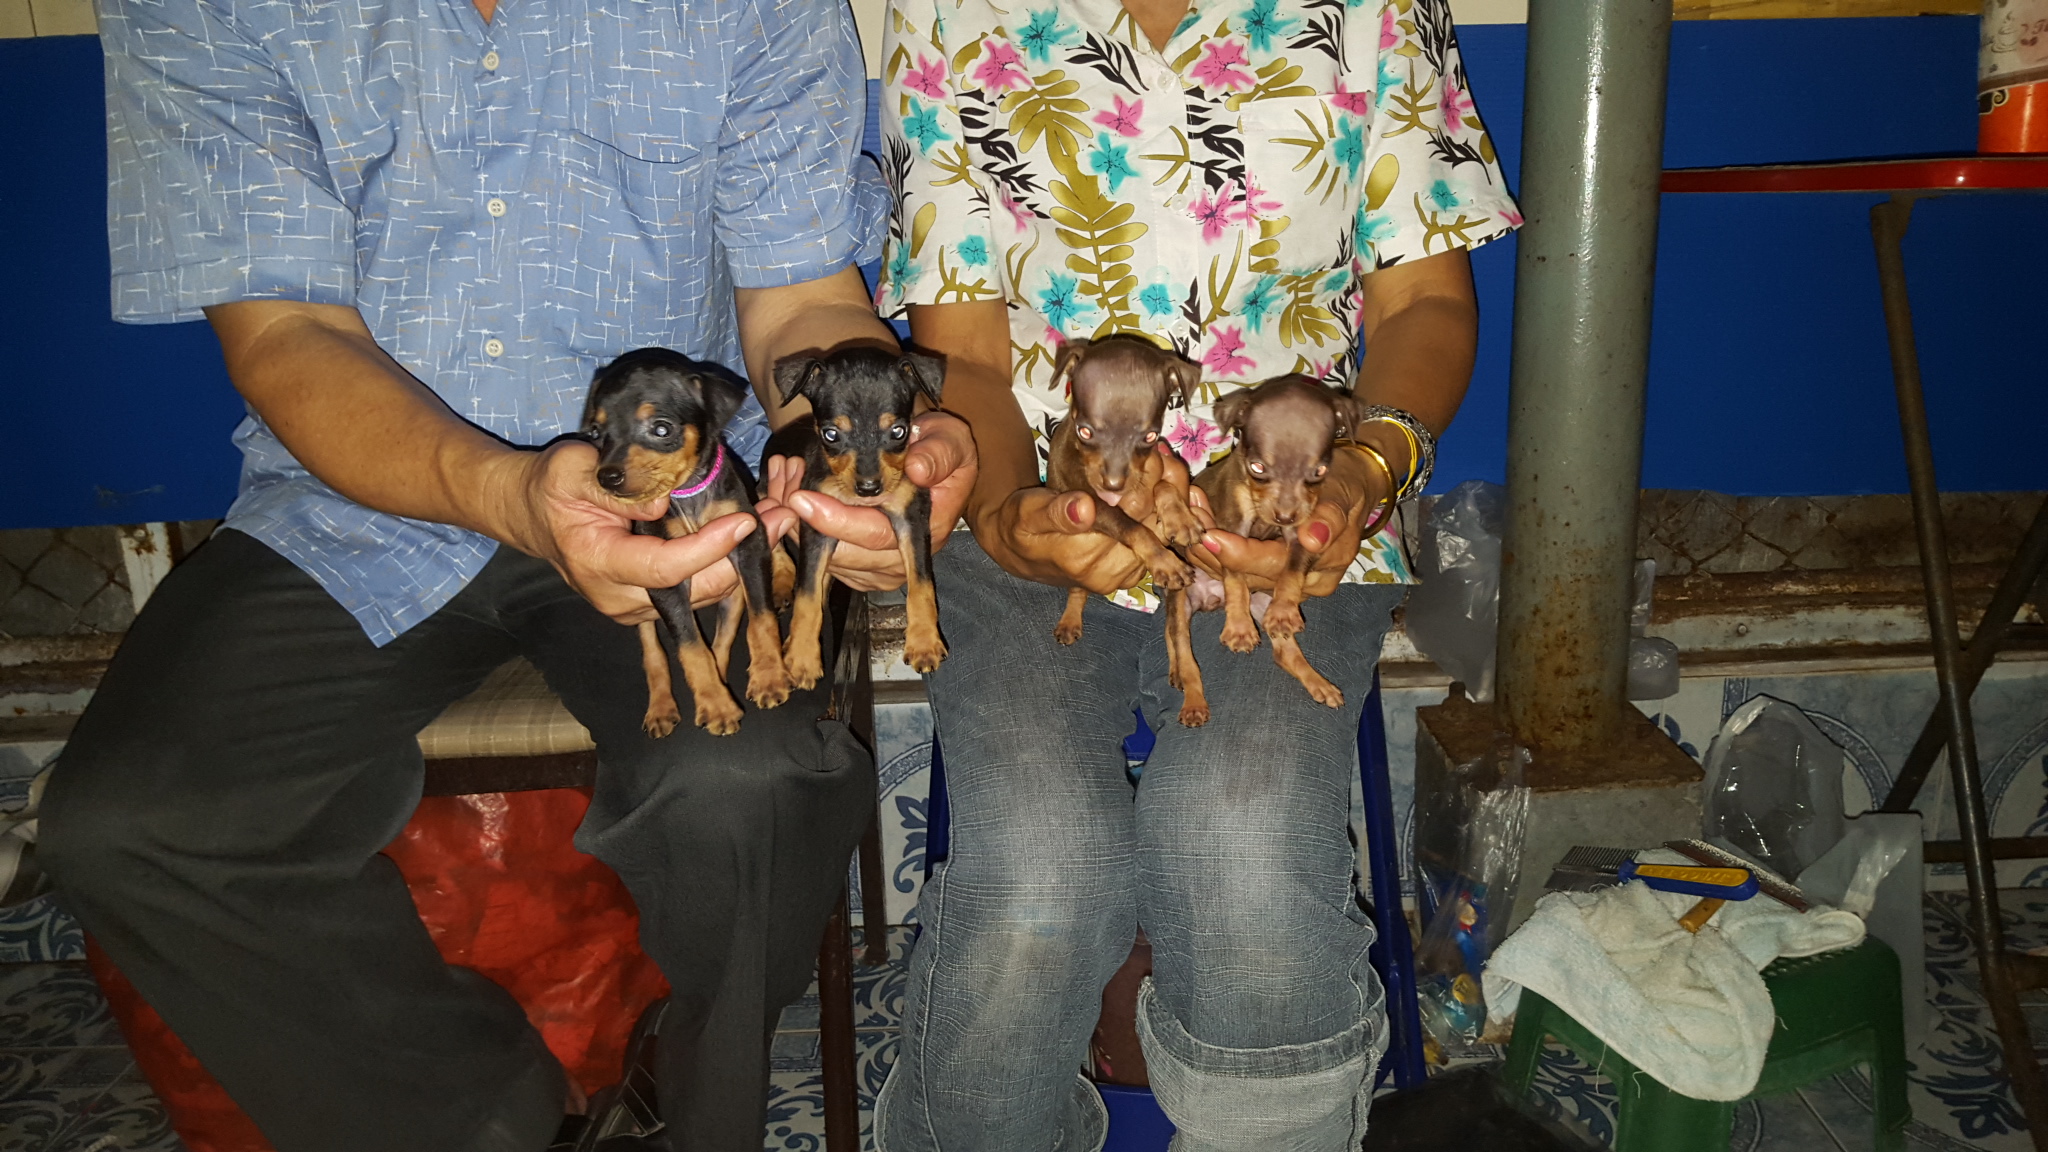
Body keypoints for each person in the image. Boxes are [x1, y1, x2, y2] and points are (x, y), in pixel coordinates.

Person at [40, 1, 974, 1150]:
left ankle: (690, 1108)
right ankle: (489, 1122)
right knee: (134, 824)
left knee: (751, 786)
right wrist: (510, 494)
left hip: (680, 505)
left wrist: (866, 441)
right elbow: (283, 334)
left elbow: (801, 301)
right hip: (354, 495)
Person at [867, 0, 1520, 1147]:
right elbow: (962, 351)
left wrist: (1353, 479)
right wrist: (1013, 518)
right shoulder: (953, 13)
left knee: (1240, 840)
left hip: (1292, 517)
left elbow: (1422, 304)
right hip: (1034, 499)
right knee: (1039, 874)